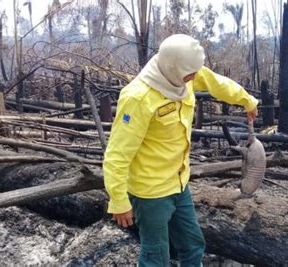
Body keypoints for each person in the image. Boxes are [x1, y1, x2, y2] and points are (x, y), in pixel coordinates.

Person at [103, 34, 259, 267]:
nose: (195, 78)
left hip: (179, 182)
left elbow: (217, 83)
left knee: (192, 245)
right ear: (171, 68)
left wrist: (247, 100)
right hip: (150, 192)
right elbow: (117, 153)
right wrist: (118, 200)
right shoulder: (138, 97)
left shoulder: (183, 74)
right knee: (156, 256)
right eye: (191, 74)